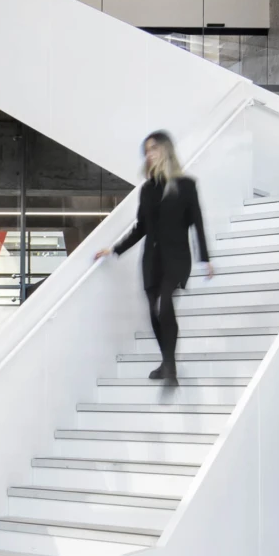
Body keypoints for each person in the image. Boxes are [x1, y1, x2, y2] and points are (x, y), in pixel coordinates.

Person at [94, 130, 212, 385]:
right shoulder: (147, 189)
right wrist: (114, 249)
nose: (149, 155)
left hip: (177, 257)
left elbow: (198, 223)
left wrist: (205, 258)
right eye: (146, 151)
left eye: (153, 149)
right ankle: (167, 363)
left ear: (166, 150)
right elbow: (141, 228)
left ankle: (169, 367)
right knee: (154, 311)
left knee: (166, 304)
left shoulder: (186, 185)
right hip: (152, 260)